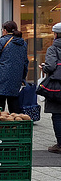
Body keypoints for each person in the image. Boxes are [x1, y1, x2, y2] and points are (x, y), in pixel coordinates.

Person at [0, 21, 28, 113]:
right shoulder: (23, 43)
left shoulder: (1, 41)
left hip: (0, 77)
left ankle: (0, 125)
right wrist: (23, 77)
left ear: (4, 30)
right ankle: (15, 123)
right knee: (14, 102)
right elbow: (25, 62)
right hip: (16, 77)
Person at [41, 22, 61, 154]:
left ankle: (60, 144)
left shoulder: (53, 49)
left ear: (56, 34)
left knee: (57, 114)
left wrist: (44, 67)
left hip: (57, 85)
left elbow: (50, 66)